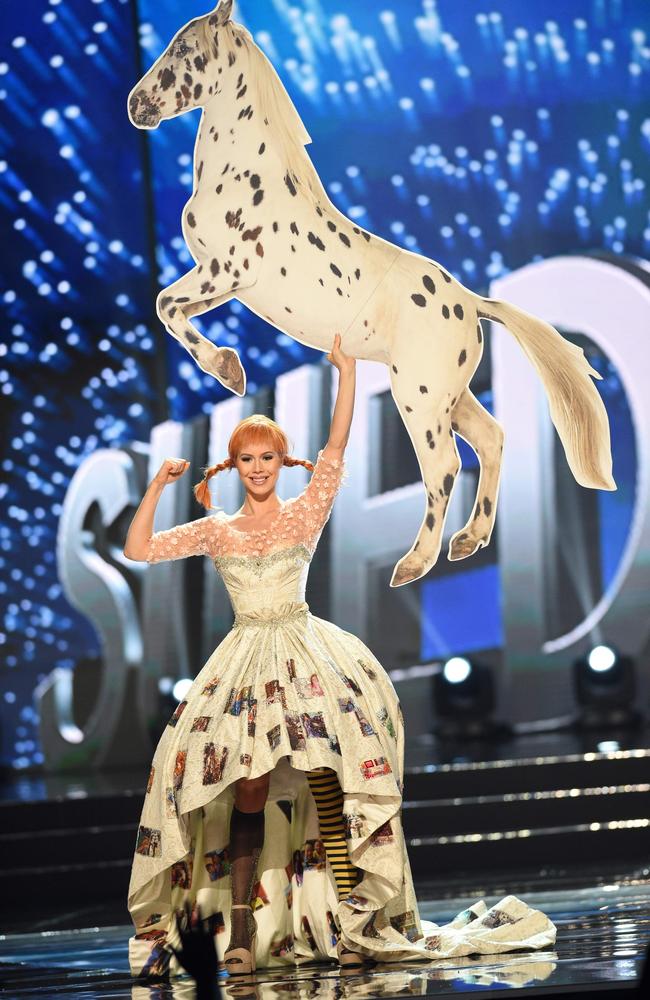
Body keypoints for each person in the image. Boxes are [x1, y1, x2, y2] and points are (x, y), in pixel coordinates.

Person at [124, 334, 556, 980]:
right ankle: (240, 928)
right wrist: (158, 484)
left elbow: (336, 446)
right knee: (248, 785)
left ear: (279, 460)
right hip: (244, 662)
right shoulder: (219, 529)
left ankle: (354, 922)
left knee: (331, 773)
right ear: (236, 467)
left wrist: (345, 372)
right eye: (249, 459)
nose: (260, 467)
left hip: (304, 653)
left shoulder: (303, 515)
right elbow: (138, 549)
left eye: (268, 456)